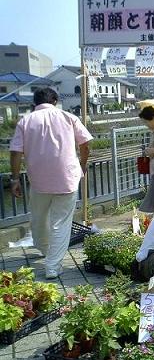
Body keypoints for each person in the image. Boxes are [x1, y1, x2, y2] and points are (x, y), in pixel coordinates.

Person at [9, 88, 93, 279]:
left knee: (38, 218)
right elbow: (85, 144)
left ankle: (45, 249)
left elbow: (15, 152)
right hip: (67, 178)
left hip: (38, 180)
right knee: (60, 223)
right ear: (55, 100)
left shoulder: (25, 121)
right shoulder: (68, 117)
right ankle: (53, 266)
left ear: (35, 103)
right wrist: (82, 164)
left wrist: (14, 179)